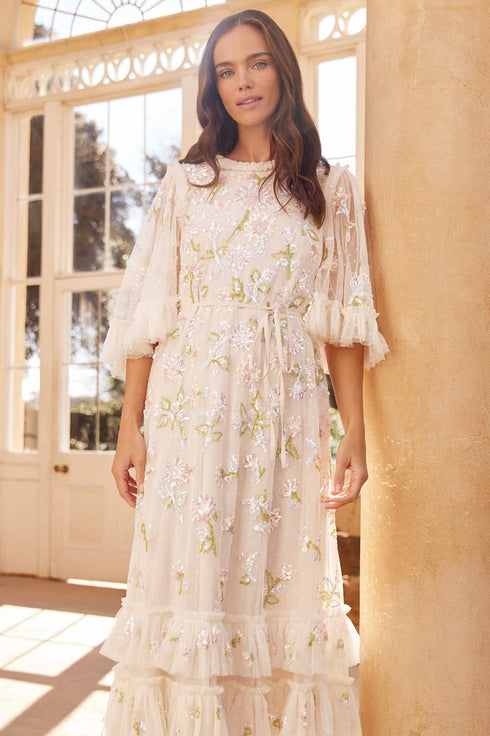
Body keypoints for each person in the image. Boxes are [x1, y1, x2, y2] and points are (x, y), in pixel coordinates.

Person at [98, 8, 389, 735]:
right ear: (212, 87)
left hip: (286, 416)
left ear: (282, 69)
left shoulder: (331, 189)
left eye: (256, 63)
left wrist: (353, 432)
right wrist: (130, 426)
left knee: (273, 591)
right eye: (225, 70)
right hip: (188, 411)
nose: (243, 82)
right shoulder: (185, 184)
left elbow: (342, 326)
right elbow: (148, 315)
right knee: (193, 588)